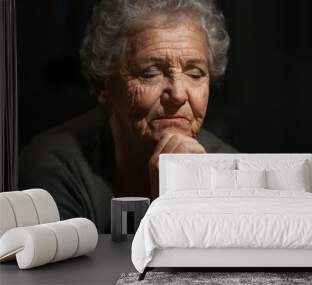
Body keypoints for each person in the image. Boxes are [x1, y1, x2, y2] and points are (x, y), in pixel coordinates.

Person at [19, 0, 237, 233]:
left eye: (195, 73)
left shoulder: (231, 169)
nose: (177, 94)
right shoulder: (54, 169)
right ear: (103, 86)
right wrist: (168, 210)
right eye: (150, 73)